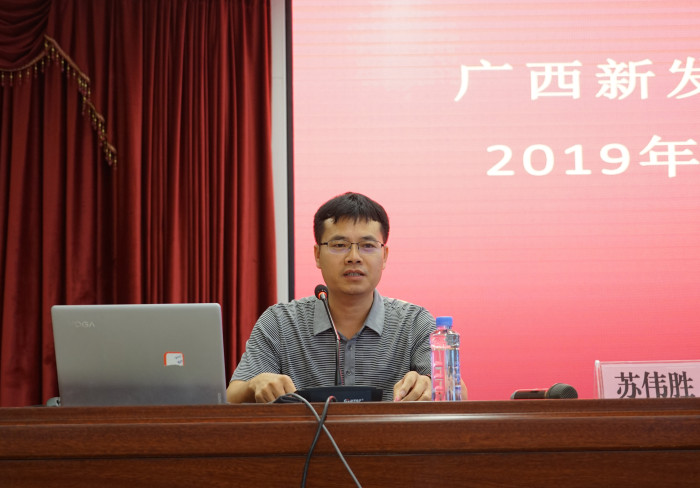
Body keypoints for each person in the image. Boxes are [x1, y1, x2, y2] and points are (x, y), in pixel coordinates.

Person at [227, 192, 464, 403]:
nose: (353, 257)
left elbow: (458, 393)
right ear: (317, 255)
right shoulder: (280, 322)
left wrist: (429, 385)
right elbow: (230, 397)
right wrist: (253, 385)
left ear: (384, 256)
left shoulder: (414, 322)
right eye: (339, 245)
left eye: (367, 245)